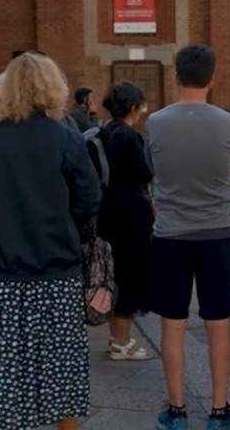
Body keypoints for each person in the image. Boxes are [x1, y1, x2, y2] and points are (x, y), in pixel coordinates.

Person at [0, 52, 101, 430]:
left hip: (0, 273)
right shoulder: (65, 137)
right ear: (52, 87)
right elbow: (90, 200)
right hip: (56, 270)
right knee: (60, 372)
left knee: (1, 375)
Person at [145, 45, 230, 430]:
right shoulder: (228, 123)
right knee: (218, 324)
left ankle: (176, 409)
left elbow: (152, 168)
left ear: (176, 76)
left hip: (170, 235)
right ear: (212, 77)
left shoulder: (155, 122)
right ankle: (219, 410)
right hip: (216, 234)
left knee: (171, 324)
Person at [96, 82, 154, 361]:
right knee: (129, 278)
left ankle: (114, 337)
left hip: (106, 212)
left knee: (111, 275)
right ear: (133, 107)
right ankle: (122, 341)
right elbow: (144, 173)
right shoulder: (130, 137)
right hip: (131, 215)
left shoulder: (102, 131)